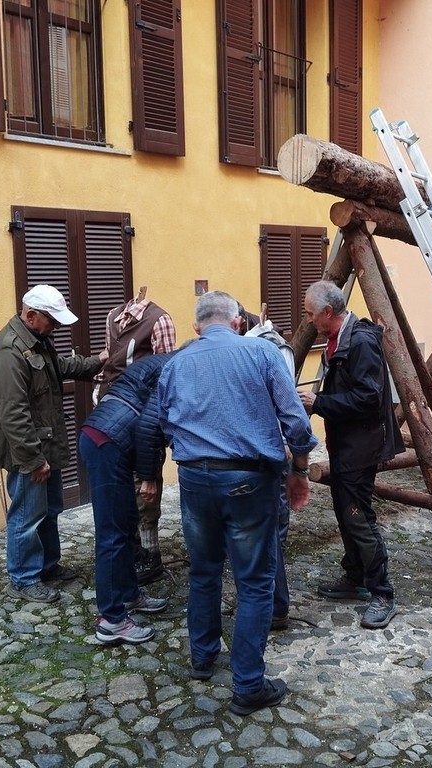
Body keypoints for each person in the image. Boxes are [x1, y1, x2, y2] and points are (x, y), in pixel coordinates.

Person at [135, 291, 317, 716]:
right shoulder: (262, 353)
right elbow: (295, 420)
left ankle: (203, 658)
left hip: (195, 479)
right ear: (237, 322)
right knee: (253, 582)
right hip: (249, 480)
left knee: (204, 572)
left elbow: (160, 423)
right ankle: (249, 684)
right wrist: (300, 469)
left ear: (196, 327)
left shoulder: (176, 363)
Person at [0, 284, 108, 603]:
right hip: (26, 451)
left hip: (45, 444)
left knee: (50, 509)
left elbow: (60, 368)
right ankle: (23, 579)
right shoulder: (9, 350)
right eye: (51, 320)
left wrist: (98, 361)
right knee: (27, 515)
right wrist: (34, 460)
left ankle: (47, 565)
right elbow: (13, 412)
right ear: (30, 315)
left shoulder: (37, 341)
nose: (55, 327)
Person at [298, 280, 404, 630]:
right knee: (345, 514)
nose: (309, 320)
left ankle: (382, 594)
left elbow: (369, 399)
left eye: (311, 314)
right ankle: (355, 576)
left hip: (362, 446)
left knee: (358, 516)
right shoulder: (338, 339)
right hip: (345, 444)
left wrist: (320, 402)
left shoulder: (360, 342)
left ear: (328, 312)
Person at [80, 352, 174, 645]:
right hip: (107, 442)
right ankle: (112, 620)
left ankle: (129, 595)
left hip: (108, 437)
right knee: (112, 533)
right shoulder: (177, 369)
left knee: (127, 523)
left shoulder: (168, 361)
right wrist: (149, 476)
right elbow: (149, 425)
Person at [99, 291, 177, 586]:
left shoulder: (159, 320)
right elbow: (108, 363)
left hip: (145, 414)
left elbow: (166, 373)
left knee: (146, 486)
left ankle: (150, 554)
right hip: (113, 415)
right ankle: (130, 550)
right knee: (121, 487)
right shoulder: (112, 317)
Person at [238, 305, 296, 631]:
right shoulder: (253, 348)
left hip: (266, 451)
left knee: (270, 529)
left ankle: (274, 605)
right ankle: (271, 601)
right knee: (266, 531)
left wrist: (297, 456)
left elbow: (287, 406)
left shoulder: (271, 349)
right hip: (259, 450)